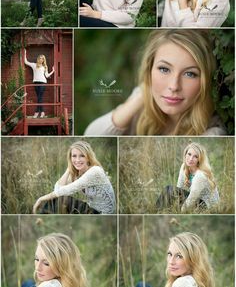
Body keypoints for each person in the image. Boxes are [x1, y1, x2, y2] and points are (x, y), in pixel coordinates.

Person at [84, 29, 226, 137]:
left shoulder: (212, 134)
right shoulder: (141, 104)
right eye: (164, 69)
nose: (174, 86)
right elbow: (90, 135)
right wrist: (142, 93)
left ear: (205, 80)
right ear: (149, 70)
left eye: (190, 74)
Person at [32, 141, 116, 214]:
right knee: (57, 200)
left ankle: (39, 215)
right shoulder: (79, 173)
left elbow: (64, 191)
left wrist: (41, 199)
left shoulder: (95, 171)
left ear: (88, 157)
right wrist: (69, 168)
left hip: (102, 214)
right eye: (74, 156)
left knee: (61, 200)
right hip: (93, 209)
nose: (77, 159)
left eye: (82, 156)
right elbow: (57, 189)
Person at [156, 142, 220, 212]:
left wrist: (180, 212)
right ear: (185, 154)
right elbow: (178, 189)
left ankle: (157, 211)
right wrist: (173, 203)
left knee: (169, 189)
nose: (191, 159)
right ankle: (157, 211)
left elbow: (192, 198)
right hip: (196, 200)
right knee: (169, 190)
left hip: (207, 207)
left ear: (200, 159)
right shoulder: (184, 166)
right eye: (189, 154)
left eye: (195, 156)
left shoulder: (200, 175)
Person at [24, 49, 54, 119]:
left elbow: (46, 76)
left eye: (42, 59)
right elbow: (26, 62)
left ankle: (37, 112)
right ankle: (42, 112)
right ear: (38, 59)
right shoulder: (34, 65)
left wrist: (53, 71)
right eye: (40, 58)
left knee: (40, 97)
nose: (41, 60)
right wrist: (24, 52)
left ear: (44, 60)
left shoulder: (45, 67)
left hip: (43, 82)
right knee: (39, 97)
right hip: (36, 82)